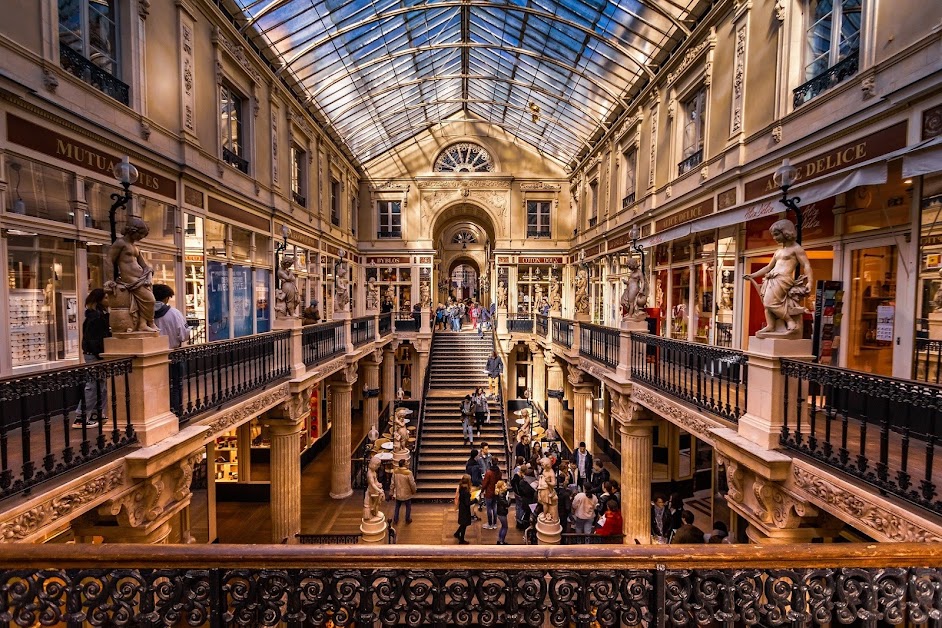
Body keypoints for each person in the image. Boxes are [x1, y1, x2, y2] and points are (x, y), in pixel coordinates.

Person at [744, 219, 813, 337]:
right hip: (771, 279)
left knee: (769, 302)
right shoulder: (778, 251)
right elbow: (768, 267)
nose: (774, 238)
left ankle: (789, 321)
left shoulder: (796, 248)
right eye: (773, 235)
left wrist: (810, 282)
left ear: (786, 232)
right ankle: (771, 326)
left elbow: (806, 265)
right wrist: (753, 275)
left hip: (783, 279)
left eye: (776, 234)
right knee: (766, 304)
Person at [109, 216, 158, 332]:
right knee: (150, 300)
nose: (141, 238)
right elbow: (109, 260)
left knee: (144, 302)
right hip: (130, 279)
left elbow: (145, 265)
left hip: (140, 278)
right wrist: (110, 279)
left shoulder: (135, 247)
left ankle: (143, 324)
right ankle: (149, 322)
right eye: (140, 234)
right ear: (132, 231)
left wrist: (148, 274)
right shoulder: (120, 243)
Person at [75, 289, 111, 428]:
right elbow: (94, 339)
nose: (109, 300)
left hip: (97, 354)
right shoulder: (95, 317)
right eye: (106, 297)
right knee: (93, 385)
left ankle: (97, 412)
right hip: (94, 355)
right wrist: (100, 354)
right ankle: (81, 417)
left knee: (102, 385)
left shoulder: (101, 315)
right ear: (99, 300)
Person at [153, 284, 190, 411]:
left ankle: (159, 410)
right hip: (173, 354)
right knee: (176, 383)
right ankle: (176, 410)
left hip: (154, 356)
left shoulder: (145, 313)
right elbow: (183, 335)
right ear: (166, 298)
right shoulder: (174, 313)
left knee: (157, 385)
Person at [391, 459, 417, 525]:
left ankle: (395, 519)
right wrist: (414, 490)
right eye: (406, 463)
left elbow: (392, 483)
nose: (407, 464)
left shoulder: (395, 472)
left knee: (397, 506)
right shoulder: (408, 473)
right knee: (408, 506)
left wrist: (391, 492)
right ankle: (407, 519)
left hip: (398, 492)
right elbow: (412, 483)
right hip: (406, 493)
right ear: (404, 464)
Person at [481, 460, 501, 529]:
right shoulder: (499, 472)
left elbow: (485, 483)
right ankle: (494, 523)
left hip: (489, 492)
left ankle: (490, 523)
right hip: (496, 492)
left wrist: (482, 490)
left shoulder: (489, 473)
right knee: (495, 507)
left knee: (489, 508)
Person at [453, 474, 473, 544]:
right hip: (465, 509)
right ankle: (461, 540)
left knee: (463, 523)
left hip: (462, 507)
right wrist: (475, 500)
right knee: (464, 524)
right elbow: (467, 503)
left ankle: (457, 533)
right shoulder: (466, 491)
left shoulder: (461, 487)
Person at [494, 480, 510, 545]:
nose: (506, 486)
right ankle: (501, 541)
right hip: (502, 513)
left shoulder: (501, 493)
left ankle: (500, 540)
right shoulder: (501, 496)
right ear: (501, 487)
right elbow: (506, 504)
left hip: (500, 512)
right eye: (504, 485)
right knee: (505, 527)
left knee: (503, 526)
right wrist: (509, 499)